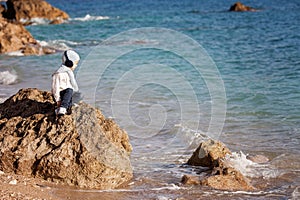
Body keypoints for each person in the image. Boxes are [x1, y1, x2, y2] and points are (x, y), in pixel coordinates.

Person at [52, 50, 80, 116]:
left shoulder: (68, 73)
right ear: (69, 63)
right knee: (69, 90)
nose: (76, 66)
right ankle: (62, 108)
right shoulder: (59, 73)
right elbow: (55, 88)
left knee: (72, 94)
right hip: (59, 94)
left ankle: (60, 109)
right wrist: (58, 99)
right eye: (75, 63)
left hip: (66, 94)